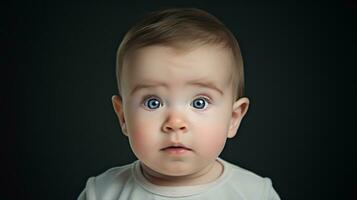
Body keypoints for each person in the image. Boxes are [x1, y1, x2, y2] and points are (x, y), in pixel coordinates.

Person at [78, 7, 280, 200]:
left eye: (199, 102)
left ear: (233, 118)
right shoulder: (102, 193)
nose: (175, 122)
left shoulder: (254, 193)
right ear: (123, 117)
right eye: (153, 102)